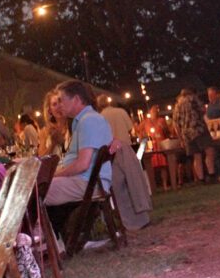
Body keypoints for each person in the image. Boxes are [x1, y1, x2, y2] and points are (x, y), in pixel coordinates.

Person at [44, 80, 113, 237]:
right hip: (87, 180)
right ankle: (58, 240)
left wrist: (53, 175)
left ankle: (48, 243)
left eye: (61, 100)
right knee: (39, 188)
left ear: (76, 99)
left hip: (88, 182)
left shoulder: (88, 121)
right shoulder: (84, 120)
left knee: (34, 191)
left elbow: (82, 164)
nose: (59, 105)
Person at [98, 96, 152, 230]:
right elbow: (130, 129)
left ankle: (129, 221)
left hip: (112, 154)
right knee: (135, 185)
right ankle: (142, 216)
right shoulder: (120, 112)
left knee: (120, 190)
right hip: (126, 149)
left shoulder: (100, 117)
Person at [173, 87, 216, 183]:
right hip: (198, 129)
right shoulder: (193, 98)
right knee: (209, 150)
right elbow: (203, 110)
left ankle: (201, 179)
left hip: (186, 134)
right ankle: (211, 174)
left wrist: (181, 139)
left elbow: (175, 123)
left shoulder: (177, 105)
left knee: (196, 156)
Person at [39, 90, 68, 157]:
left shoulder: (73, 126)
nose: (59, 107)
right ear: (50, 110)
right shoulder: (44, 132)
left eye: (60, 102)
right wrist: (53, 144)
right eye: (54, 104)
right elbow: (41, 158)